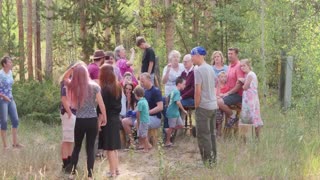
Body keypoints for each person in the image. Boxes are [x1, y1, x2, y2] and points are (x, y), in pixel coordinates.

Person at [64, 64, 107, 180]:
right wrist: (104, 117)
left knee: (77, 147)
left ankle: (72, 174)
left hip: (80, 121)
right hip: (92, 120)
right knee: (90, 148)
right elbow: (101, 104)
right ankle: (90, 176)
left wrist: (71, 69)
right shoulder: (94, 86)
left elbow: (64, 79)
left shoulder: (74, 86)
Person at [191, 46, 218, 166]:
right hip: (213, 105)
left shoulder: (198, 69)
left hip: (203, 106)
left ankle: (207, 162)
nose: (192, 59)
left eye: (192, 56)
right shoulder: (211, 68)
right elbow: (216, 84)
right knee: (211, 134)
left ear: (198, 55)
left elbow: (198, 91)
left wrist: (196, 106)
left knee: (203, 135)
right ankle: (213, 159)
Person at [121, 73, 163, 148]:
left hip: (154, 118)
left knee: (138, 121)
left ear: (149, 80)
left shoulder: (156, 91)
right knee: (124, 121)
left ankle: (143, 144)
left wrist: (146, 113)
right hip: (143, 115)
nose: (141, 83)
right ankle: (132, 142)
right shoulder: (143, 91)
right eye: (140, 81)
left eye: (143, 81)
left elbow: (160, 107)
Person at [97, 64, 122, 177]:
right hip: (116, 118)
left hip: (108, 120)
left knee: (110, 149)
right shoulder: (117, 87)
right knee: (114, 147)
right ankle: (116, 169)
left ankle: (112, 172)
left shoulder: (104, 90)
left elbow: (103, 108)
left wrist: (99, 122)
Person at [217, 48, 245, 128]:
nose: (229, 55)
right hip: (230, 94)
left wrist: (227, 93)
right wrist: (222, 93)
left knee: (219, 102)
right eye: (228, 54)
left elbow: (239, 84)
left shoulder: (239, 66)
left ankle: (233, 117)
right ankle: (218, 130)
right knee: (215, 100)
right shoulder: (229, 66)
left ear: (236, 55)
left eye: (231, 54)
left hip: (238, 95)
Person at [0, 56, 23, 150]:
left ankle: (15, 143)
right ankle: (5, 146)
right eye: (9, 62)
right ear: (4, 64)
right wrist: (3, 96)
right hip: (2, 100)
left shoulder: (10, 72)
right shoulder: (0, 74)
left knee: (15, 120)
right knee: (4, 122)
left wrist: (9, 97)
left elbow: (10, 87)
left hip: (10, 99)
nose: (11, 63)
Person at [238, 59, 263, 138]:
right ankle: (252, 137)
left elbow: (245, 87)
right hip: (250, 98)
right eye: (241, 66)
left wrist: (241, 82)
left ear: (248, 65)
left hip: (250, 100)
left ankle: (253, 137)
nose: (242, 67)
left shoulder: (250, 74)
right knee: (252, 116)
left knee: (251, 116)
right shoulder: (248, 75)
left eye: (244, 65)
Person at [59, 64, 77, 170]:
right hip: (67, 113)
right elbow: (64, 99)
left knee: (71, 139)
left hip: (74, 112)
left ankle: (70, 162)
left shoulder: (74, 82)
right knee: (66, 139)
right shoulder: (65, 82)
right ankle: (65, 164)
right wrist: (69, 112)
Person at [165, 77, 188, 147]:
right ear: (179, 84)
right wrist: (183, 110)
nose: (185, 85)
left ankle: (168, 130)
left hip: (176, 113)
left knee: (181, 125)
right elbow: (178, 102)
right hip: (172, 113)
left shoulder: (174, 91)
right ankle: (167, 141)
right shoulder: (177, 92)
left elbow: (168, 98)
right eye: (184, 84)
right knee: (171, 127)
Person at [134, 86, 152, 152]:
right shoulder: (145, 100)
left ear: (136, 95)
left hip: (143, 120)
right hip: (146, 119)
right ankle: (148, 146)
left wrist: (138, 122)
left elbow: (138, 113)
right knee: (143, 134)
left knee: (144, 135)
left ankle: (146, 148)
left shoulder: (140, 103)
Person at [215, 71, 229, 137]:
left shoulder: (227, 86)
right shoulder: (217, 86)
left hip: (224, 104)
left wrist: (222, 95)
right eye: (221, 77)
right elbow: (215, 95)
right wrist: (219, 96)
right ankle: (216, 131)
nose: (223, 78)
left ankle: (219, 133)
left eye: (224, 77)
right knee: (217, 117)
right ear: (218, 78)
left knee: (220, 118)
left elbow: (228, 95)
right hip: (216, 105)